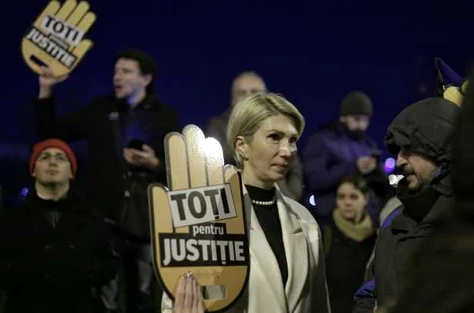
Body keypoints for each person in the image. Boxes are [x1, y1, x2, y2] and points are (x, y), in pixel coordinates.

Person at [34, 49, 179, 312]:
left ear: (146, 79)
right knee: (105, 299)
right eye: (115, 71)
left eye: (126, 71)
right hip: (103, 221)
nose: (117, 77)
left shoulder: (164, 117)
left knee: (143, 298)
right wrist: (46, 89)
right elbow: (51, 134)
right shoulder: (100, 109)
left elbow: (179, 171)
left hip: (145, 225)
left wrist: (154, 164)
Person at [162, 93, 331, 313]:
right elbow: (177, 295)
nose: (287, 151)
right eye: (274, 137)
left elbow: (318, 304)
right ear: (242, 145)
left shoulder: (305, 220)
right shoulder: (206, 213)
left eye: (292, 140)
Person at [0, 138, 119, 313]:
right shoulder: (10, 221)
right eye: (44, 157)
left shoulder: (91, 219)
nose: (52, 162)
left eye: (61, 158)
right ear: (33, 170)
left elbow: (109, 264)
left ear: (71, 172)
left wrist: (82, 270)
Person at [352, 96, 460, 313]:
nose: (400, 160)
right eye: (398, 151)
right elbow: (368, 292)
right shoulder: (392, 222)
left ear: (441, 152)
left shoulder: (464, 227)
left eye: (409, 149)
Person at [206, 71, 304, 201]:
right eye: (242, 93)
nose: (248, 97)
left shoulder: (283, 127)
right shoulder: (218, 126)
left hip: (282, 199)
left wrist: (292, 197)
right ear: (232, 98)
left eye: (254, 93)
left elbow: (295, 170)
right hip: (233, 200)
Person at [302, 91, 392, 225]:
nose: (361, 124)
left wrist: (376, 171)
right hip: (331, 220)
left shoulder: (368, 145)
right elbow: (314, 180)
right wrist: (353, 167)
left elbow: (382, 188)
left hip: (365, 221)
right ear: (344, 117)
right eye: (356, 119)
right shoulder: (322, 140)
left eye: (365, 120)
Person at [323, 176, 376, 313]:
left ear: (365, 199)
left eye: (353, 197)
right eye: (341, 197)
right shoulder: (325, 232)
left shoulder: (376, 235)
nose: (347, 202)